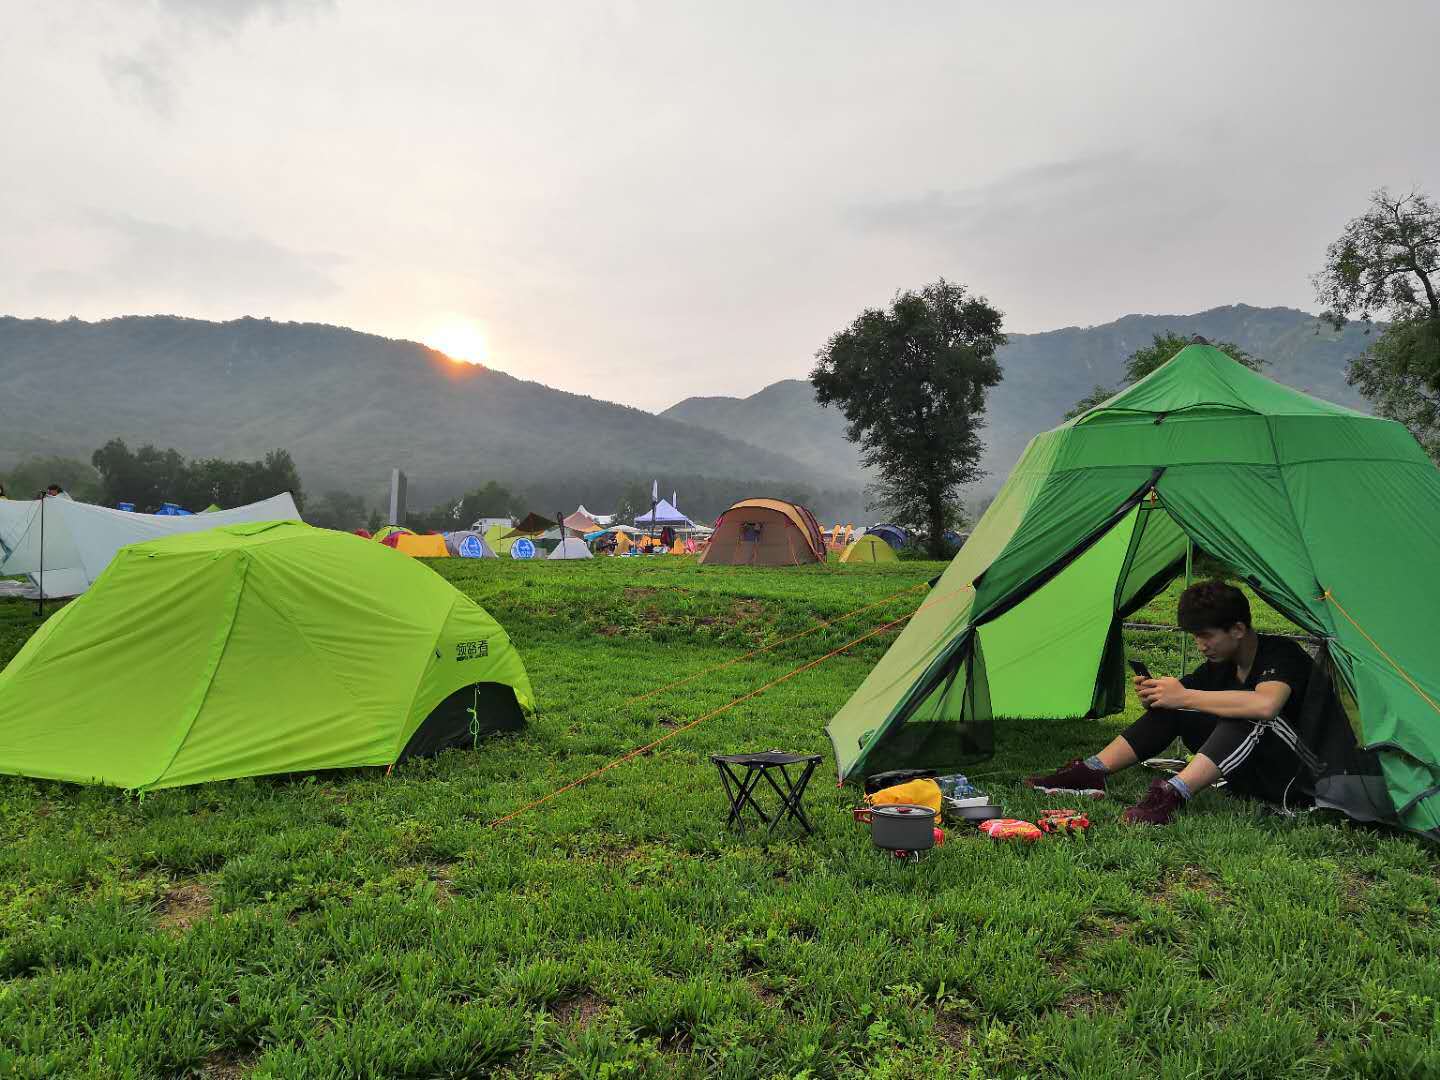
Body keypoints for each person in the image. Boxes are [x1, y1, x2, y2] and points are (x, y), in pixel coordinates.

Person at [1025, 580, 1325, 825]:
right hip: (1253, 774)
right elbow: (1182, 700)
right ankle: (1091, 772)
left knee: (1247, 710)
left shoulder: (1281, 653)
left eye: (1207, 636)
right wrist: (1160, 697)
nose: (1201, 645)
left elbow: (1266, 705)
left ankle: (1173, 795)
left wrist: (1183, 696)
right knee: (1177, 709)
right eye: (1195, 637)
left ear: (1237, 629)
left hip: (1303, 774)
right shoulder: (1220, 664)